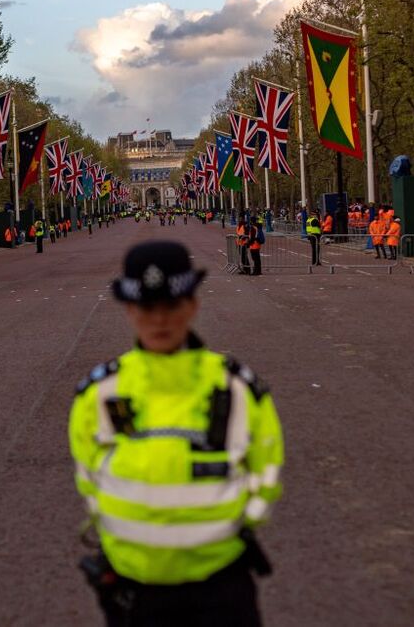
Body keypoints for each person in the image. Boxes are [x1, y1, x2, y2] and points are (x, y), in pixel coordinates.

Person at [70, 240, 283, 627]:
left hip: (219, 580)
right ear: (130, 311)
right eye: (148, 308)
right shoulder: (101, 394)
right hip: (133, 581)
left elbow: (264, 472)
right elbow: (89, 475)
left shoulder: (236, 388)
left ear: (193, 306)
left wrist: (228, 531)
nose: (160, 320)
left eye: (171, 306)